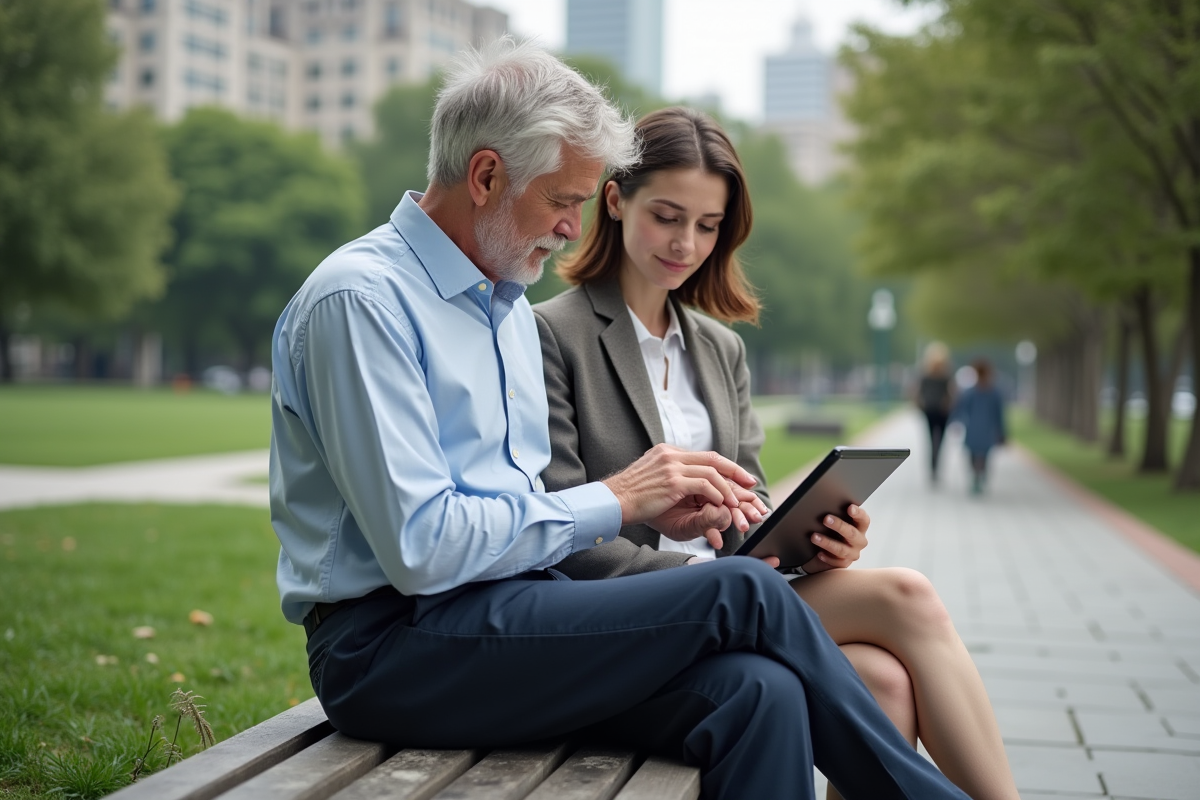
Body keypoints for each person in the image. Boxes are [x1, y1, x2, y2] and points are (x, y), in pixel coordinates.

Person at [269, 39, 973, 800]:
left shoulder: (502, 305)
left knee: (757, 694)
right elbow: (421, 548)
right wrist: (618, 500)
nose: (572, 228)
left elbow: (514, 511)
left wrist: (660, 516)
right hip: (391, 649)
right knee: (742, 591)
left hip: (504, 614)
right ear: (485, 176)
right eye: (563, 200)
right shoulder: (362, 302)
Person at [535, 106, 1019, 800]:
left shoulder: (719, 348)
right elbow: (559, 527)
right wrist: (705, 577)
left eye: (708, 226)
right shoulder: (554, 335)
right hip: (639, 612)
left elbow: (748, 503)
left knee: (885, 679)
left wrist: (815, 544)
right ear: (615, 199)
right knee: (908, 595)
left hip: (750, 588)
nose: (687, 244)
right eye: (668, 217)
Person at [953, 358, 1007, 495]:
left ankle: (978, 477)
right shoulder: (982, 393)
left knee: (978, 455)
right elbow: (961, 409)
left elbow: (960, 409)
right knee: (980, 455)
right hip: (981, 429)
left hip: (977, 429)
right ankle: (978, 476)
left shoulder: (988, 393)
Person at [915, 341, 955, 482]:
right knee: (933, 440)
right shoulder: (926, 375)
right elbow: (918, 392)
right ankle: (933, 467)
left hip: (941, 411)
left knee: (938, 441)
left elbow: (951, 392)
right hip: (931, 411)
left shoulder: (945, 376)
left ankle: (935, 466)